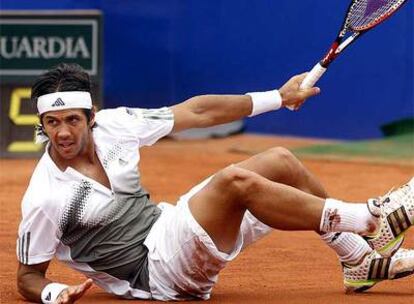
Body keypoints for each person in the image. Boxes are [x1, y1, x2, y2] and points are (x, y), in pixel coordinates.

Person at [16, 63, 414, 304]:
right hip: (155, 275)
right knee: (233, 181)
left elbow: (198, 111)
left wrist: (278, 96)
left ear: (91, 116)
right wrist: (52, 294)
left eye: (72, 120)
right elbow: (27, 276)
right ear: (42, 124)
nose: (63, 132)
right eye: (52, 122)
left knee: (280, 161)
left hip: (169, 231)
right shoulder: (46, 196)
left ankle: (357, 260)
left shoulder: (114, 127)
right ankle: (370, 219)